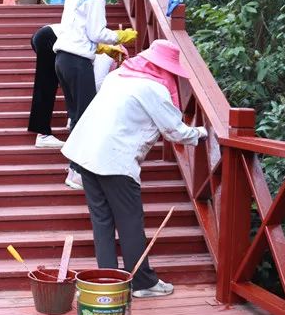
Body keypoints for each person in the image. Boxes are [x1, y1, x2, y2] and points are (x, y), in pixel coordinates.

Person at [62, 39, 207, 299]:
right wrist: (203, 133)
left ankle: (108, 280)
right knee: (130, 222)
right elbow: (175, 131)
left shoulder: (118, 75)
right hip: (114, 160)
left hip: (85, 153)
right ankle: (142, 283)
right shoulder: (153, 88)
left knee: (102, 221)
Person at [53, 0, 129, 189]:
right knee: (87, 118)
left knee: (77, 116)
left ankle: (75, 168)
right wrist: (119, 36)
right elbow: (96, 32)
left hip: (63, 59)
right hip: (77, 61)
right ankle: (76, 172)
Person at [28, 25, 136, 148]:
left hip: (48, 36)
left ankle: (58, 126)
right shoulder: (108, 53)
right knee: (47, 85)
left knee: (61, 81)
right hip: (50, 37)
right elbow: (97, 83)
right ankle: (43, 134)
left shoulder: (102, 42)